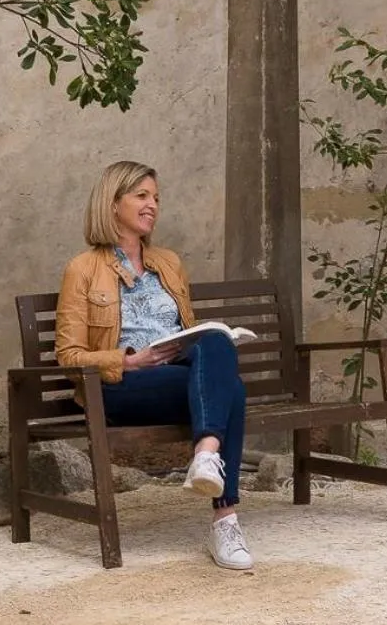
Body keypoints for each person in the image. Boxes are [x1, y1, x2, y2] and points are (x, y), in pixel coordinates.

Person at [55, 160, 253, 571]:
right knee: (231, 390)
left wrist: (199, 341)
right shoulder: (83, 269)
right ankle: (224, 518)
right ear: (112, 204)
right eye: (142, 196)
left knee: (215, 341)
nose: (152, 206)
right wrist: (131, 360)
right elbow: (69, 356)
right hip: (121, 387)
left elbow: (189, 333)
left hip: (176, 379)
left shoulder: (168, 263)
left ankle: (206, 456)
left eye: (156, 198)